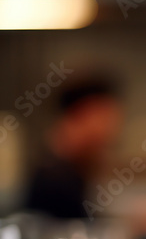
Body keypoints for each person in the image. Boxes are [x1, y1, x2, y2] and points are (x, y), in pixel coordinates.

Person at [23, 76, 123, 219]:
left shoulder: (71, 170)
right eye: (104, 119)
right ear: (80, 115)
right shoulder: (54, 180)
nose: (111, 131)